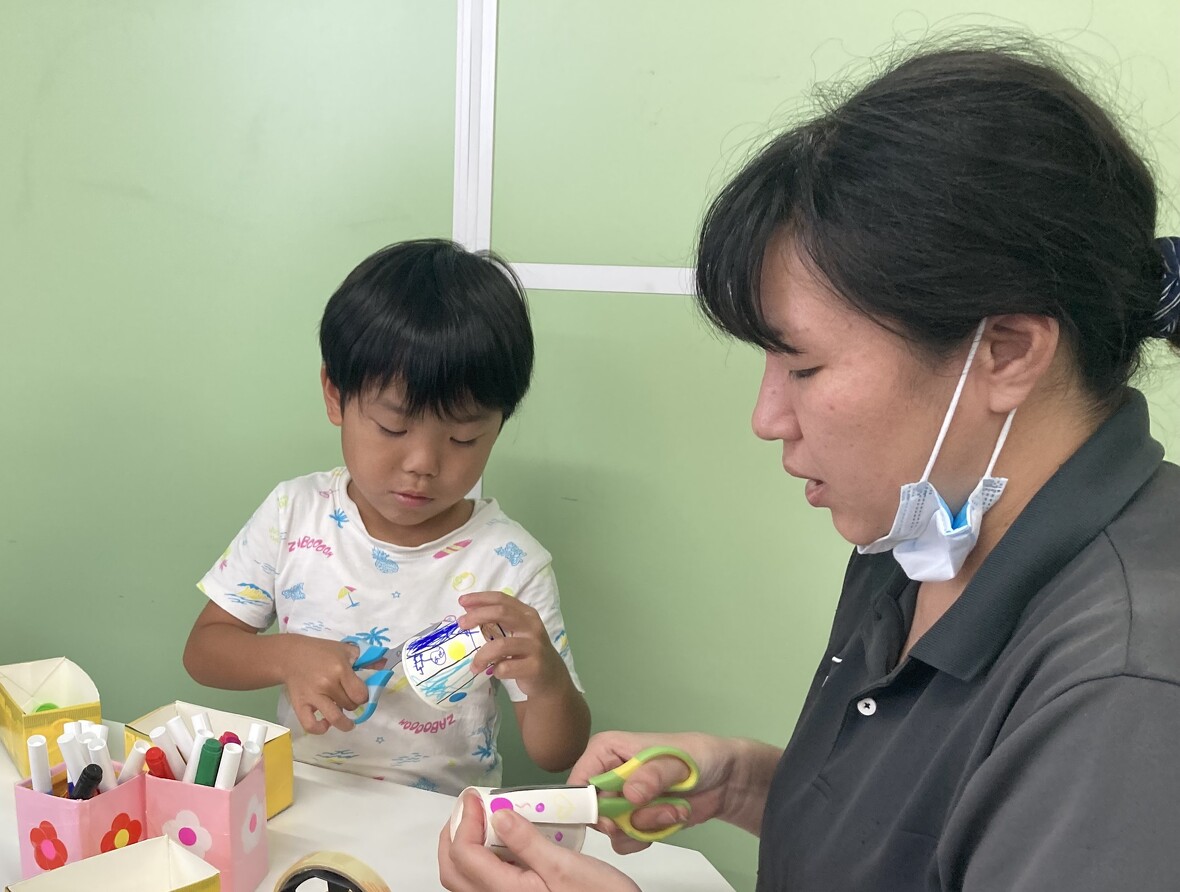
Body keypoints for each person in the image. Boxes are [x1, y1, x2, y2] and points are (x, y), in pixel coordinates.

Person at [439, 41, 1180, 891]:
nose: (767, 419)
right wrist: (749, 782)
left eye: (804, 366)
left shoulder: (1127, 690)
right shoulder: (925, 524)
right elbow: (925, 834)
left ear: (1006, 351)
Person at [183, 239, 590, 794]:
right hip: (302, 798)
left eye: (464, 438)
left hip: (443, 824)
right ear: (335, 395)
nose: (423, 463)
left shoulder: (511, 564)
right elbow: (204, 652)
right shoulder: (293, 513)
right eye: (393, 428)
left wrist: (548, 683)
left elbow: (558, 753)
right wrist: (284, 655)